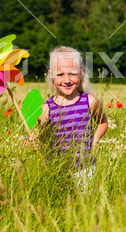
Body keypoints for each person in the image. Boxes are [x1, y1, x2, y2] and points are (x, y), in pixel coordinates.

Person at [37, 46, 108, 185]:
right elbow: (44, 141)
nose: (67, 79)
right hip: (56, 169)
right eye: (60, 74)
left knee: (86, 205)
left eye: (72, 74)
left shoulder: (90, 102)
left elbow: (103, 122)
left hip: (85, 169)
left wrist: (94, 141)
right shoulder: (46, 109)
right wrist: (36, 143)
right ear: (51, 74)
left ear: (81, 73)